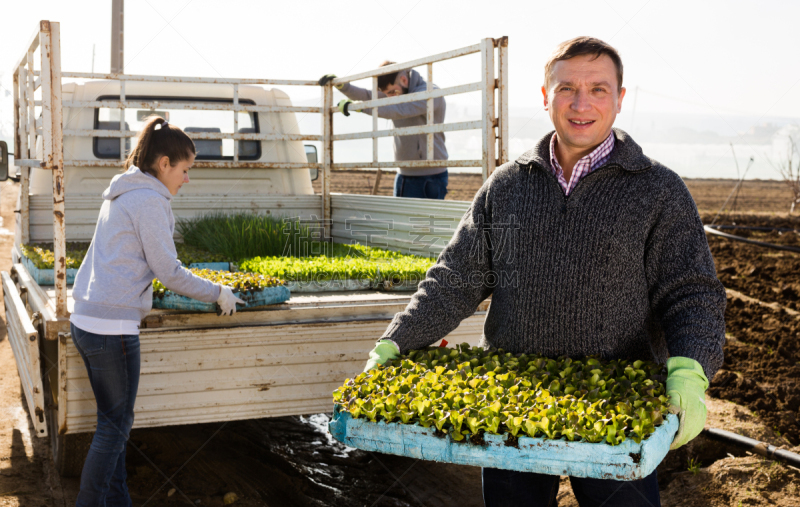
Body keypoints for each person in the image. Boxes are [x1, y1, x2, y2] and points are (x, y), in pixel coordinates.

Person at [364, 37, 726, 507]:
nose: (581, 103)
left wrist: (691, 368)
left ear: (619, 98)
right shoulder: (508, 185)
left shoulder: (657, 189)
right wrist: (398, 338)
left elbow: (691, 292)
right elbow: (456, 277)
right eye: (566, 88)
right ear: (544, 96)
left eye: (598, 89)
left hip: (617, 403)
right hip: (512, 401)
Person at [69, 116, 244, 506]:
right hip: (112, 330)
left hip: (87, 321)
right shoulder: (148, 200)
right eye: (185, 170)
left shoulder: (122, 191)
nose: (187, 179)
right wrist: (218, 292)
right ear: (164, 164)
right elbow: (169, 271)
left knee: (112, 426)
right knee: (114, 429)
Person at [319, 62, 449, 199]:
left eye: (392, 92)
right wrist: (343, 86)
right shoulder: (396, 92)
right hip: (403, 173)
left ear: (404, 80)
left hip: (430, 176)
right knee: (401, 220)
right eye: (387, 94)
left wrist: (362, 107)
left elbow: (399, 110)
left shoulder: (431, 94)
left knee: (428, 220)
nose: (390, 98)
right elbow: (369, 97)